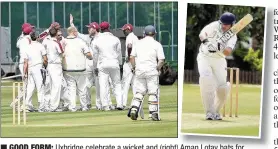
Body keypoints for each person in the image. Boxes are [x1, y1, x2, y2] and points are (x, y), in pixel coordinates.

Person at [197, 12, 237, 120]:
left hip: (219, 59)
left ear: (232, 25)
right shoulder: (214, 25)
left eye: (227, 24)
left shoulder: (233, 35)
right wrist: (207, 43)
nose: (224, 26)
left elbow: (228, 52)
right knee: (206, 79)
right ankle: (209, 112)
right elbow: (201, 34)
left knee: (223, 88)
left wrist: (220, 49)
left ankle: (216, 111)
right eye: (223, 23)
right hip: (204, 56)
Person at [128, 25, 165, 121]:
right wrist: (157, 68)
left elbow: (131, 57)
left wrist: (134, 68)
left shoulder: (138, 43)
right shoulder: (157, 44)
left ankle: (134, 108)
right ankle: (153, 113)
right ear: (155, 34)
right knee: (153, 92)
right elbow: (161, 60)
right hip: (151, 71)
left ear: (144, 34)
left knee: (139, 92)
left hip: (139, 70)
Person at [70, 14, 101, 109]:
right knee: (86, 85)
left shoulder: (101, 38)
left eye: (90, 28)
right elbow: (76, 33)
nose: (88, 29)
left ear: (95, 29)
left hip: (98, 64)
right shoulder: (87, 37)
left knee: (99, 85)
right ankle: (87, 103)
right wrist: (71, 24)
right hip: (88, 64)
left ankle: (99, 104)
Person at [92, 21, 123, 111]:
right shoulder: (115, 39)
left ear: (100, 29)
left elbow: (95, 56)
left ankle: (105, 105)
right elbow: (119, 53)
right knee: (117, 84)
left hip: (103, 64)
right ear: (109, 28)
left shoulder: (97, 40)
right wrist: (120, 64)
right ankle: (120, 104)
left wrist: (95, 67)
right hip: (114, 63)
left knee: (103, 85)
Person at [62, 26, 93, 112]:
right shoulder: (80, 41)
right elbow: (88, 54)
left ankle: (72, 107)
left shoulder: (63, 41)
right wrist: (90, 58)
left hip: (68, 69)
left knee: (71, 89)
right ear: (74, 32)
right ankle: (84, 106)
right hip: (80, 69)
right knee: (82, 89)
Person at [23, 31, 48, 112]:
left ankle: (27, 105)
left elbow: (25, 62)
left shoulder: (27, 47)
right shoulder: (40, 46)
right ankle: (41, 107)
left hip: (30, 69)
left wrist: (24, 73)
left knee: (30, 87)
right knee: (40, 87)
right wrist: (45, 66)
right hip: (38, 68)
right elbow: (45, 59)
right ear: (37, 37)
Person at [42, 28, 64, 112]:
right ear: (55, 34)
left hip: (49, 65)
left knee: (50, 86)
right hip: (55, 66)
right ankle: (53, 106)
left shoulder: (47, 41)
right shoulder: (56, 42)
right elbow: (62, 52)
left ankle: (48, 104)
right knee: (56, 86)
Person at [121, 24, 139, 109]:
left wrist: (129, 56)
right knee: (134, 84)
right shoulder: (135, 37)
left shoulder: (129, 37)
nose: (123, 31)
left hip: (129, 63)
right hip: (135, 62)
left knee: (125, 83)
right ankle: (135, 103)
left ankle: (123, 103)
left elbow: (129, 46)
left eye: (124, 30)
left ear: (128, 29)